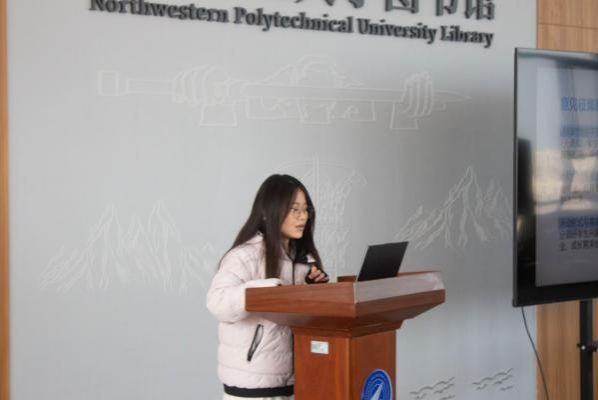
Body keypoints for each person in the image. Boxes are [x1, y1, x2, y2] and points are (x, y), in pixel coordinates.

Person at [206, 174, 329, 400]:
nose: (303, 217)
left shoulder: (303, 261)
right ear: (268, 211)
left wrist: (314, 289)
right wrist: (262, 292)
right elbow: (217, 303)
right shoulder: (244, 256)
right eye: (294, 210)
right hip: (252, 389)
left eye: (306, 210)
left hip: (294, 385)